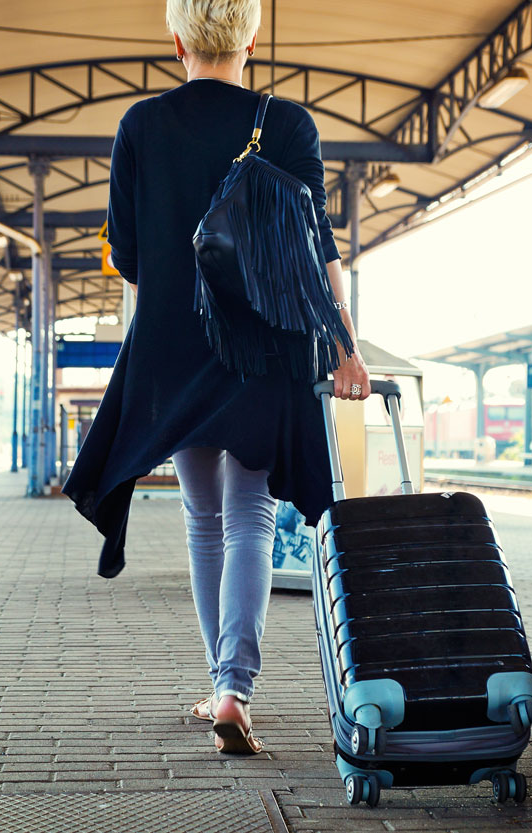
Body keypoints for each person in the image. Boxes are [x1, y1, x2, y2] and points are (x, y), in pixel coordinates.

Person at [61, 0, 370, 756]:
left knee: (203, 518)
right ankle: (235, 688)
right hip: (265, 346)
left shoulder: (139, 126)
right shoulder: (290, 124)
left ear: (176, 40)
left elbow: (128, 256)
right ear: (251, 37)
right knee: (252, 518)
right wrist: (347, 347)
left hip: (175, 345)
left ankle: (219, 684)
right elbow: (319, 244)